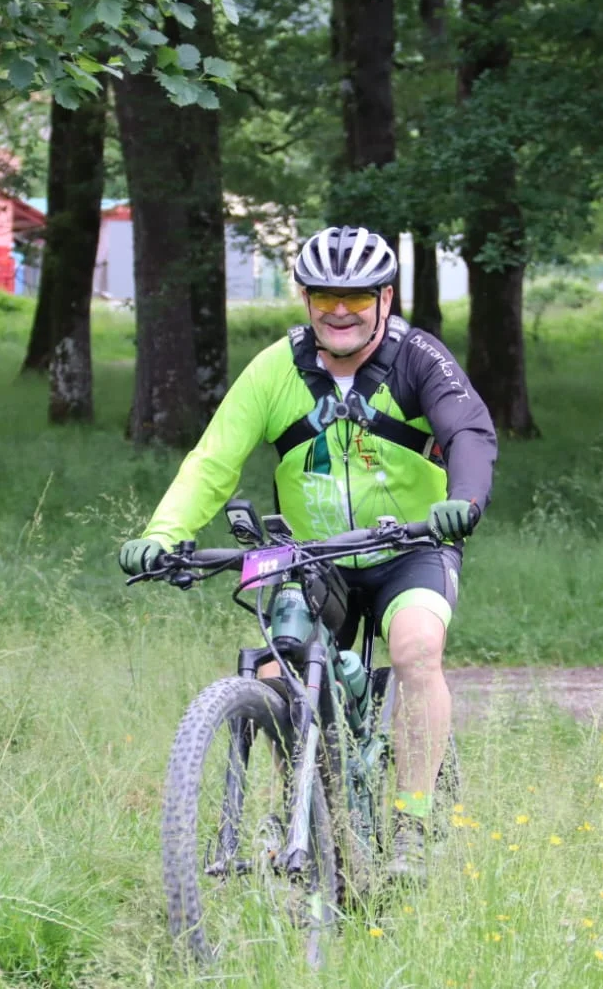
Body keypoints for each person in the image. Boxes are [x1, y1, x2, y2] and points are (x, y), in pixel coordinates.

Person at [119, 225, 498, 880]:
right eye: (325, 297)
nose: (340, 311)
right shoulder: (276, 368)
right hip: (310, 556)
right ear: (304, 298)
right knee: (277, 670)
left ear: (385, 298)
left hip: (409, 547)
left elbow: (468, 431)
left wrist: (461, 500)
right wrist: (161, 534)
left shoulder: (418, 359)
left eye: (357, 297)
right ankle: (300, 812)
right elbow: (213, 460)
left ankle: (411, 822)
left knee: (415, 649)